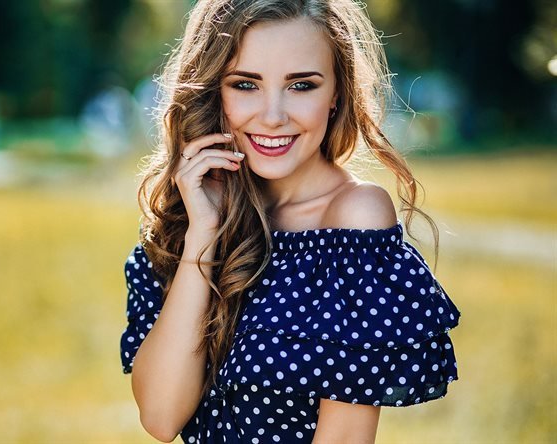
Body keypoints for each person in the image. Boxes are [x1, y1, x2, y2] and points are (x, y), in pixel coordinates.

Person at [120, 0, 462, 442]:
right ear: (213, 92)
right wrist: (203, 239)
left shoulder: (354, 223)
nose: (274, 116)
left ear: (337, 93)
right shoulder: (191, 219)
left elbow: (343, 438)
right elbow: (161, 418)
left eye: (301, 85)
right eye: (246, 84)